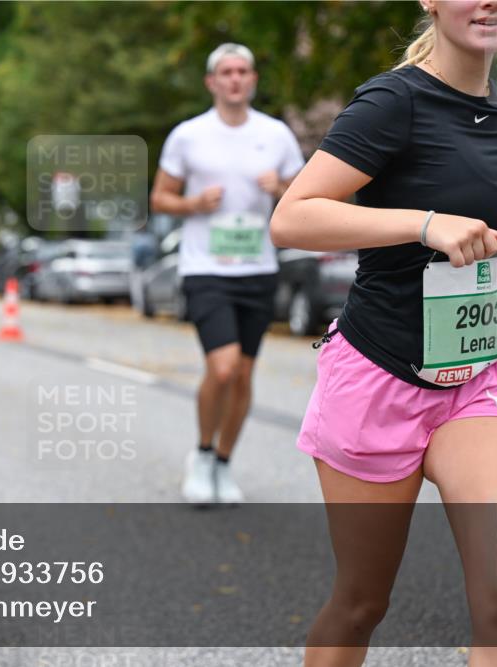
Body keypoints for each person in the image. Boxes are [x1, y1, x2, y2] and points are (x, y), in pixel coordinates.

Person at [271, 1, 497, 664]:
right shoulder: (393, 101)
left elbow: (496, 226)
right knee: (363, 601)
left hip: (478, 378)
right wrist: (424, 223)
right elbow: (294, 218)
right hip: (381, 378)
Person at [149, 42, 304, 504]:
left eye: (243, 71)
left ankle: (222, 462)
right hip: (205, 268)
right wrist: (193, 203)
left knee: (243, 376)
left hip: (257, 268)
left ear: (253, 79)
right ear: (211, 82)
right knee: (223, 367)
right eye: (227, 72)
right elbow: (160, 198)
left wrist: (279, 187)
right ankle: (199, 455)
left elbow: (302, 191)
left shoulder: (275, 134)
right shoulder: (188, 135)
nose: (235, 79)